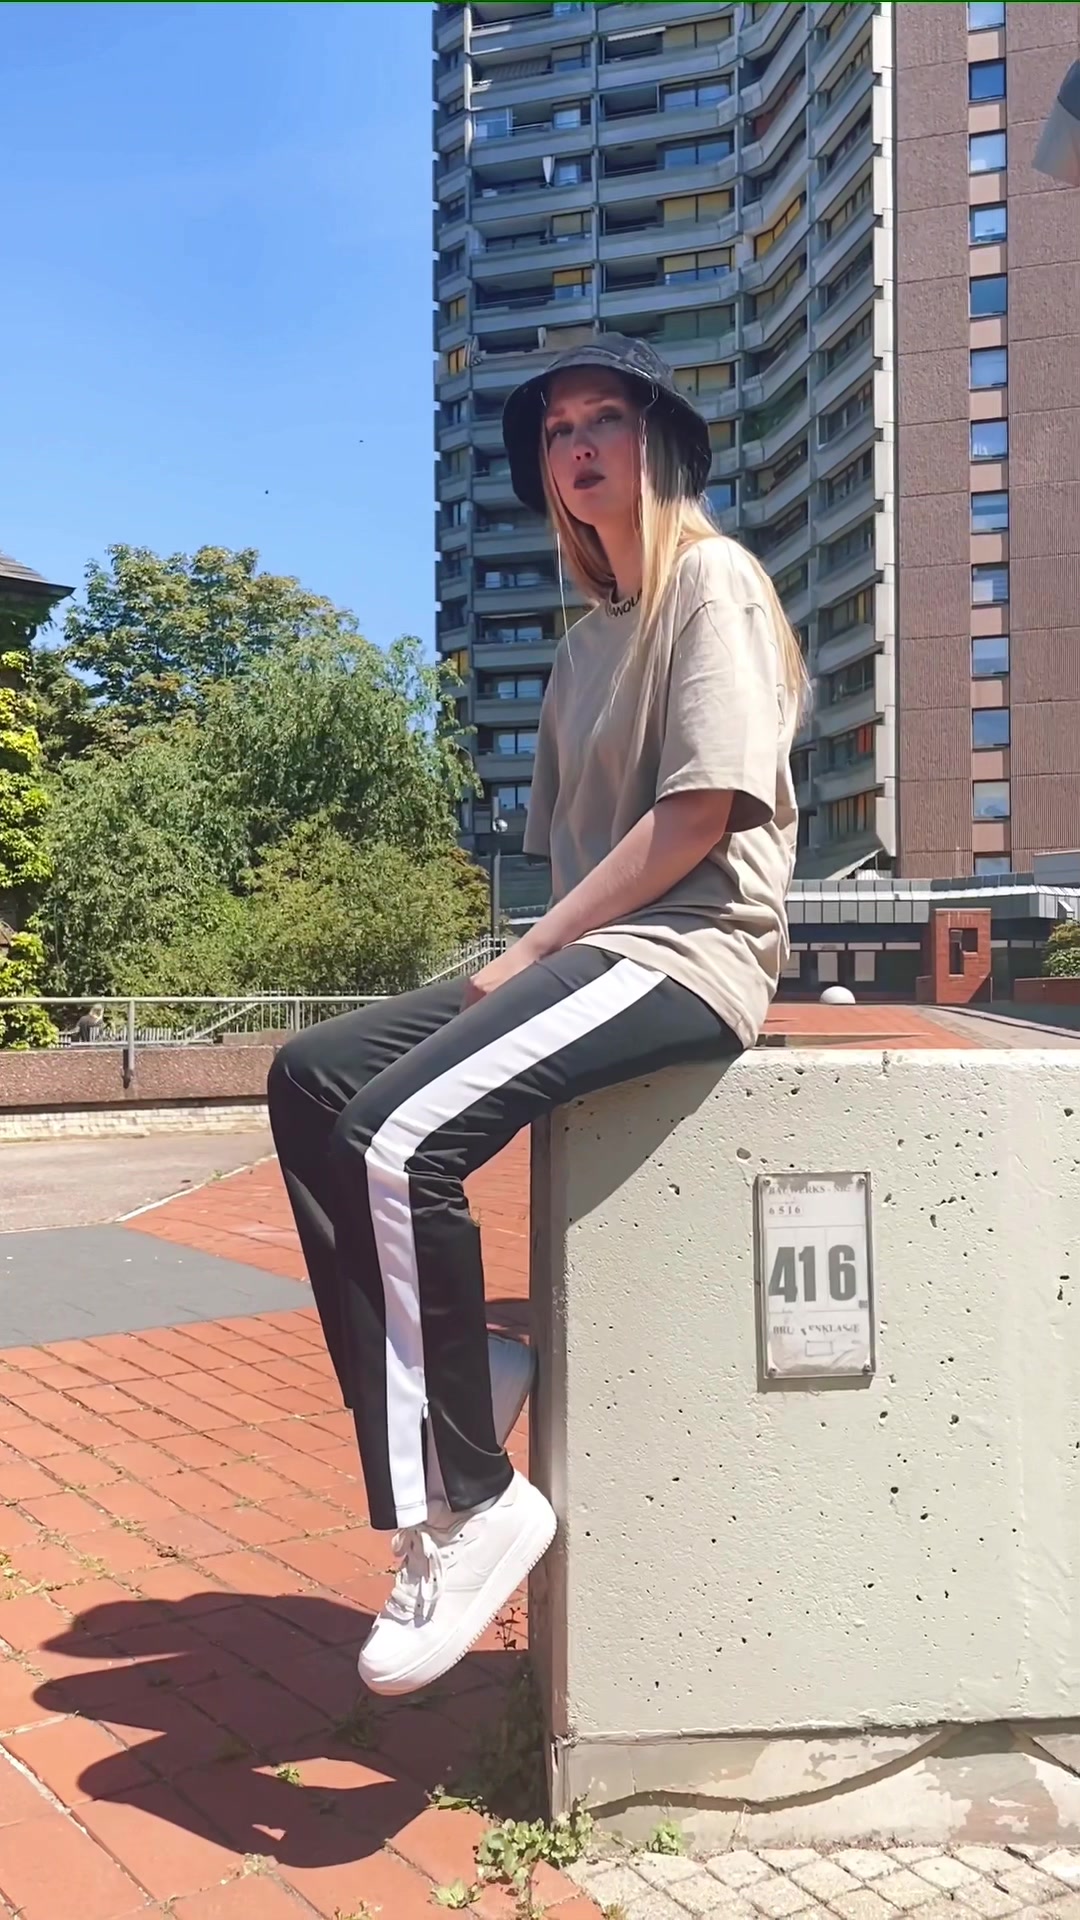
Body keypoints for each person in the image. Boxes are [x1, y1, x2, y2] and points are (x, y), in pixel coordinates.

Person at [267, 333, 805, 1699]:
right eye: (558, 430)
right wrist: (527, 959)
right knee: (313, 1078)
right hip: (597, 946)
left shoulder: (715, 585)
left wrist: (531, 955)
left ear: (656, 443)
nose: (577, 447)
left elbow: (699, 816)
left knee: (397, 1141)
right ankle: (473, 1377)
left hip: (693, 948)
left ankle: (471, 1504)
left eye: (603, 419)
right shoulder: (581, 652)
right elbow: (570, 862)